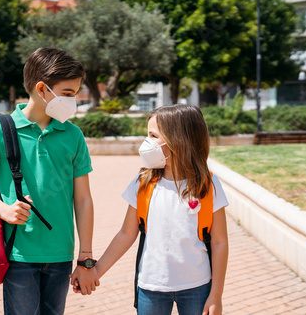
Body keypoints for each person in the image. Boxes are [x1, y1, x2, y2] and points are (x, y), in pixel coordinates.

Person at [0, 47, 99, 315]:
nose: (73, 101)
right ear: (42, 89)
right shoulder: (0, 130)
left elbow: (83, 199)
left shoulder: (73, 135)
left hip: (61, 254)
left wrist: (85, 257)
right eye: (68, 94)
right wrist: (4, 210)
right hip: (18, 255)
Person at [79, 104, 229, 315]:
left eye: (153, 135)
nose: (147, 142)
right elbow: (126, 234)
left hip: (198, 286)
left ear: (178, 140)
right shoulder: (143, 183)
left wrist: (216, 295)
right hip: (151, 287)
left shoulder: (208, 186)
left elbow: (220, 241)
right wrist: (96, 271)